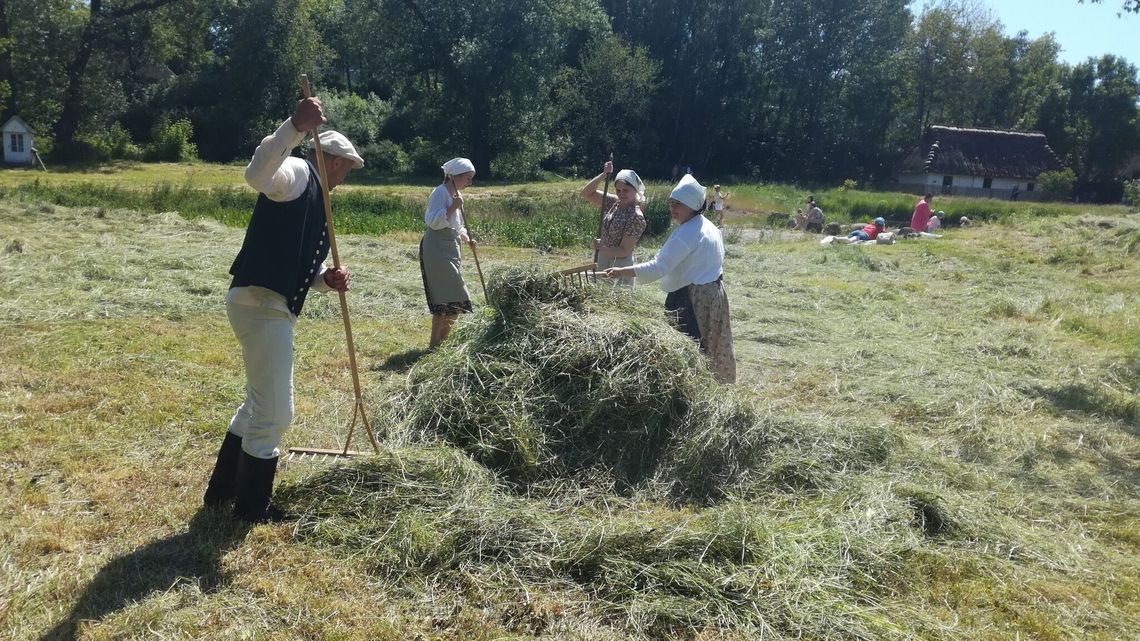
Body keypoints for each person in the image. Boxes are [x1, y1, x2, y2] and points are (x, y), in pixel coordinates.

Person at [203, 96, 361, 523]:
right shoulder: (297, 173)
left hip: (267, 303)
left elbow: (297, 263)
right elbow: (258, 174)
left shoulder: (319, 199)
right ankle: (251, 509)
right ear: (329, 159)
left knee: (259, 403)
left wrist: (324, 278)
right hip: (260, 303)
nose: (346, 175)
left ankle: (223, 491)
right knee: (276, 411)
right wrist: (293, 126)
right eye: (345, 166)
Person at [604, 174, 736, 383]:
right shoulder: (705, 225)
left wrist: (621, 271)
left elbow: (659, 266)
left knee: (690, 350)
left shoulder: (688, 232)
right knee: (708, 344)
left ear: (692, 206)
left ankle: (694, 389)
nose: (673, 208)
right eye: (672, 203)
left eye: (679, 204)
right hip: (713, 293)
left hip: (693, 297)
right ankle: (712, 385)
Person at [421, 158, 477, 349]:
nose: (469, 183)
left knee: (450, 300)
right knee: (453, 296)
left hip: (451, 247)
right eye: (467, 178)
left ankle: (438, 345)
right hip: (436, 249)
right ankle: (437, 344)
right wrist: (453, 206)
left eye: (471, 179)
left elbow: (457, 225)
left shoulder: (457, 193)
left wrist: (467, 238)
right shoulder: (440, 193)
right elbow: (432, 222)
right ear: (453, 177)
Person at [580, 160, 647, 287]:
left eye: (626, 190)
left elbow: (624, 251)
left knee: (615, 301)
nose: (621, 194)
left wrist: (602, 248)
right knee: (598, 297)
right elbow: (586, 193)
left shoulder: (636, 217)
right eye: (618, 190)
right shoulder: (614, 203)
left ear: (635, 190)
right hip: (603, 258)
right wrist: (604, 174)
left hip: (620, 266)